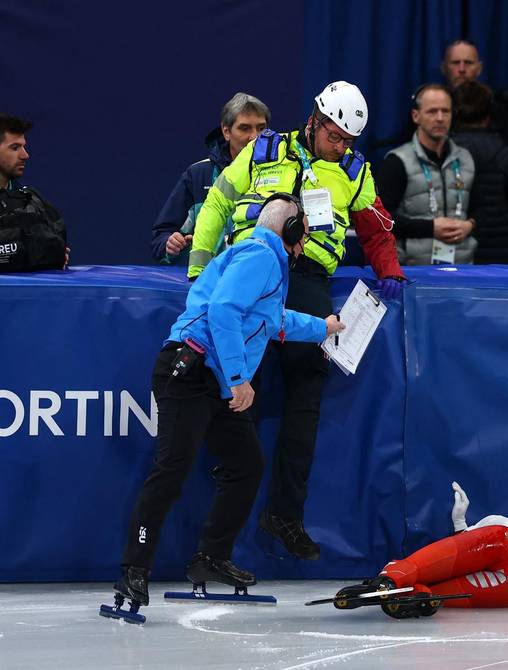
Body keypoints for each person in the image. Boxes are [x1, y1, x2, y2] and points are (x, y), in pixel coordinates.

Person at [188, 81, 406, 561]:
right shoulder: (264, 148)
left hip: (307, 275)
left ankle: (285, 513)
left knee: (307, 385)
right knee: (236, 379)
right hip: (253, 267)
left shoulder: (354, 170)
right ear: (315, 119)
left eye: (349, 140)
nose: (341, 146)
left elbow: (376, 227)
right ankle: (224, 504)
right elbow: (218, 204)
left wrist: (389, 271)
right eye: (335, 136)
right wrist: (201, 270)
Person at [110, 194, 345, 610]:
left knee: (246, 465)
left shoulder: (263, 260)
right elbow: (222, 310)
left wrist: (321, 327)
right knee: (172, 470)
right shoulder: (261, 256)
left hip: (212, 375)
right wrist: (239, 379)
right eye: (304, 232)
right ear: (288, 231)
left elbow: (274, 322)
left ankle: (210, 558)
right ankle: (134, 571)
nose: (306, 240)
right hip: (191, 370)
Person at [332, 482, 508, 618]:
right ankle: (419, 596)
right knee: (435, 589)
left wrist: (460, 524)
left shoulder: (492, 529)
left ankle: (392, 578)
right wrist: (460, 524)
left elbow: (463, 554)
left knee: (421, 568)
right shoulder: (494, 530)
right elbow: (466, 556)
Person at [150, 93, 270, 264]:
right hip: (208, 283)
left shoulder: (284, 173)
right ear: (226, 131)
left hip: (262, 283)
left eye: (261, 128)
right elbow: (160, 238)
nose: (254, 136)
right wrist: (169, 244)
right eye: (245, 128)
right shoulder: (198, 175)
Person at [378, 83, 477, 265]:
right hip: (414, 270)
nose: (440, 118)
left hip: (462, 269)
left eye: (445, 111)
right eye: (432, 112)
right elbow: (382, 219)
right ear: (416, 116)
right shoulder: (397, 161)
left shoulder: (466, 159)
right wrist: (430, 228)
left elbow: (483, 209)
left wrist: (470, 225)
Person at [450, 81, 508, 264]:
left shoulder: (444, 153)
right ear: (489, 116)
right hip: (501, 252)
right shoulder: (505, 154)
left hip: (455, 250)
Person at [0, 114, 68, 270]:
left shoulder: (32, 200)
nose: (25, 155)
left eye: (23, 147)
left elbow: (58, 250)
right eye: (15, 148)